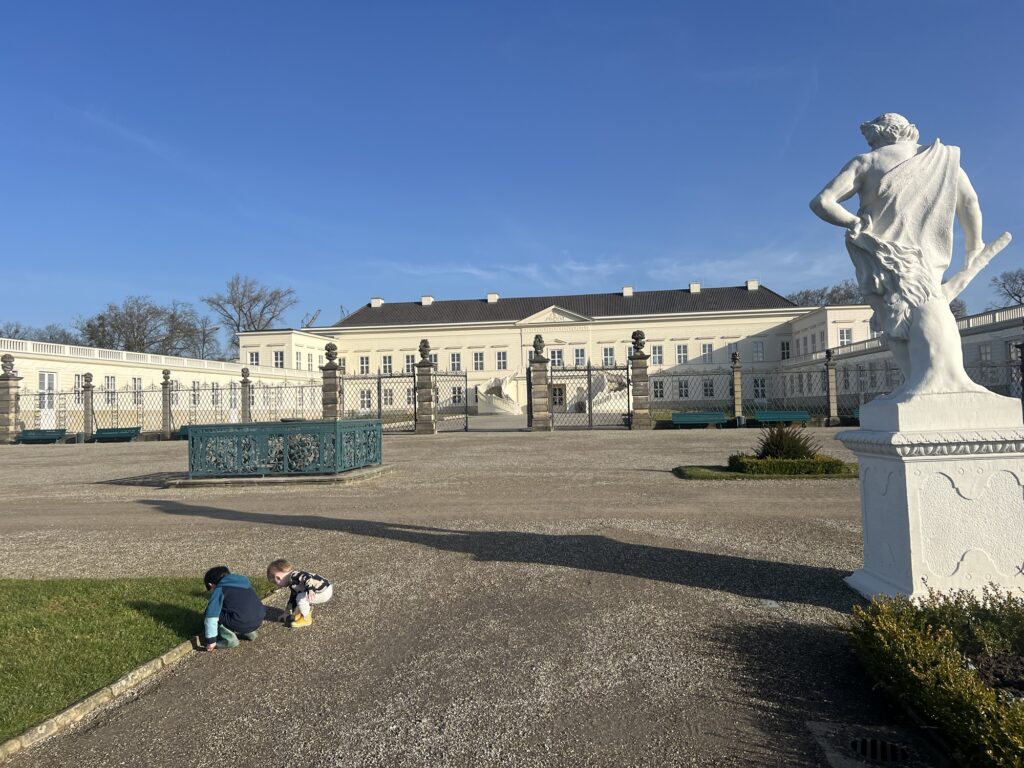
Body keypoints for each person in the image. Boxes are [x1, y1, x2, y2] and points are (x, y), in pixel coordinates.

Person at [809, 113, 1001, 400]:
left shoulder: (866, 162)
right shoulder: (943, 159)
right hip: (926, 257)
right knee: (927, 307)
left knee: (890, 319)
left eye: (870, 137)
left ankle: (920, 381)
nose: (870, 142)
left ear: (880, 133)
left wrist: (852, 222)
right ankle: (922, 384)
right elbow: (969, 201)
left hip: (880, 252)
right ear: (908, 132)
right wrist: (975, 245)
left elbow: (822, 202)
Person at [202, 566, 266, 651]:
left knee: (209, 612)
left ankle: (230, 639)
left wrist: (211, 641)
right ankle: (250, 633)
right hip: (258, 619)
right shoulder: (244, 582)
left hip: (242, 622)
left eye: (210, 591)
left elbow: (211, 617)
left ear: (211, 585)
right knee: (239, 610)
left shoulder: (219, 589)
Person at [267, 559, 333, 628]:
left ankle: (306, 619)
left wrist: (311, 590)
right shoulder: (293, 579)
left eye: (276, 583)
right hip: (324, 588)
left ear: (278, 578)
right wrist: (287, 613)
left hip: (323, 592)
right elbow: (293, 599)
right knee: (299, 596)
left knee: (300, 598)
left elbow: (307, 578)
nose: (278, 586)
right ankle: (303, 613)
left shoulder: (294, 576)